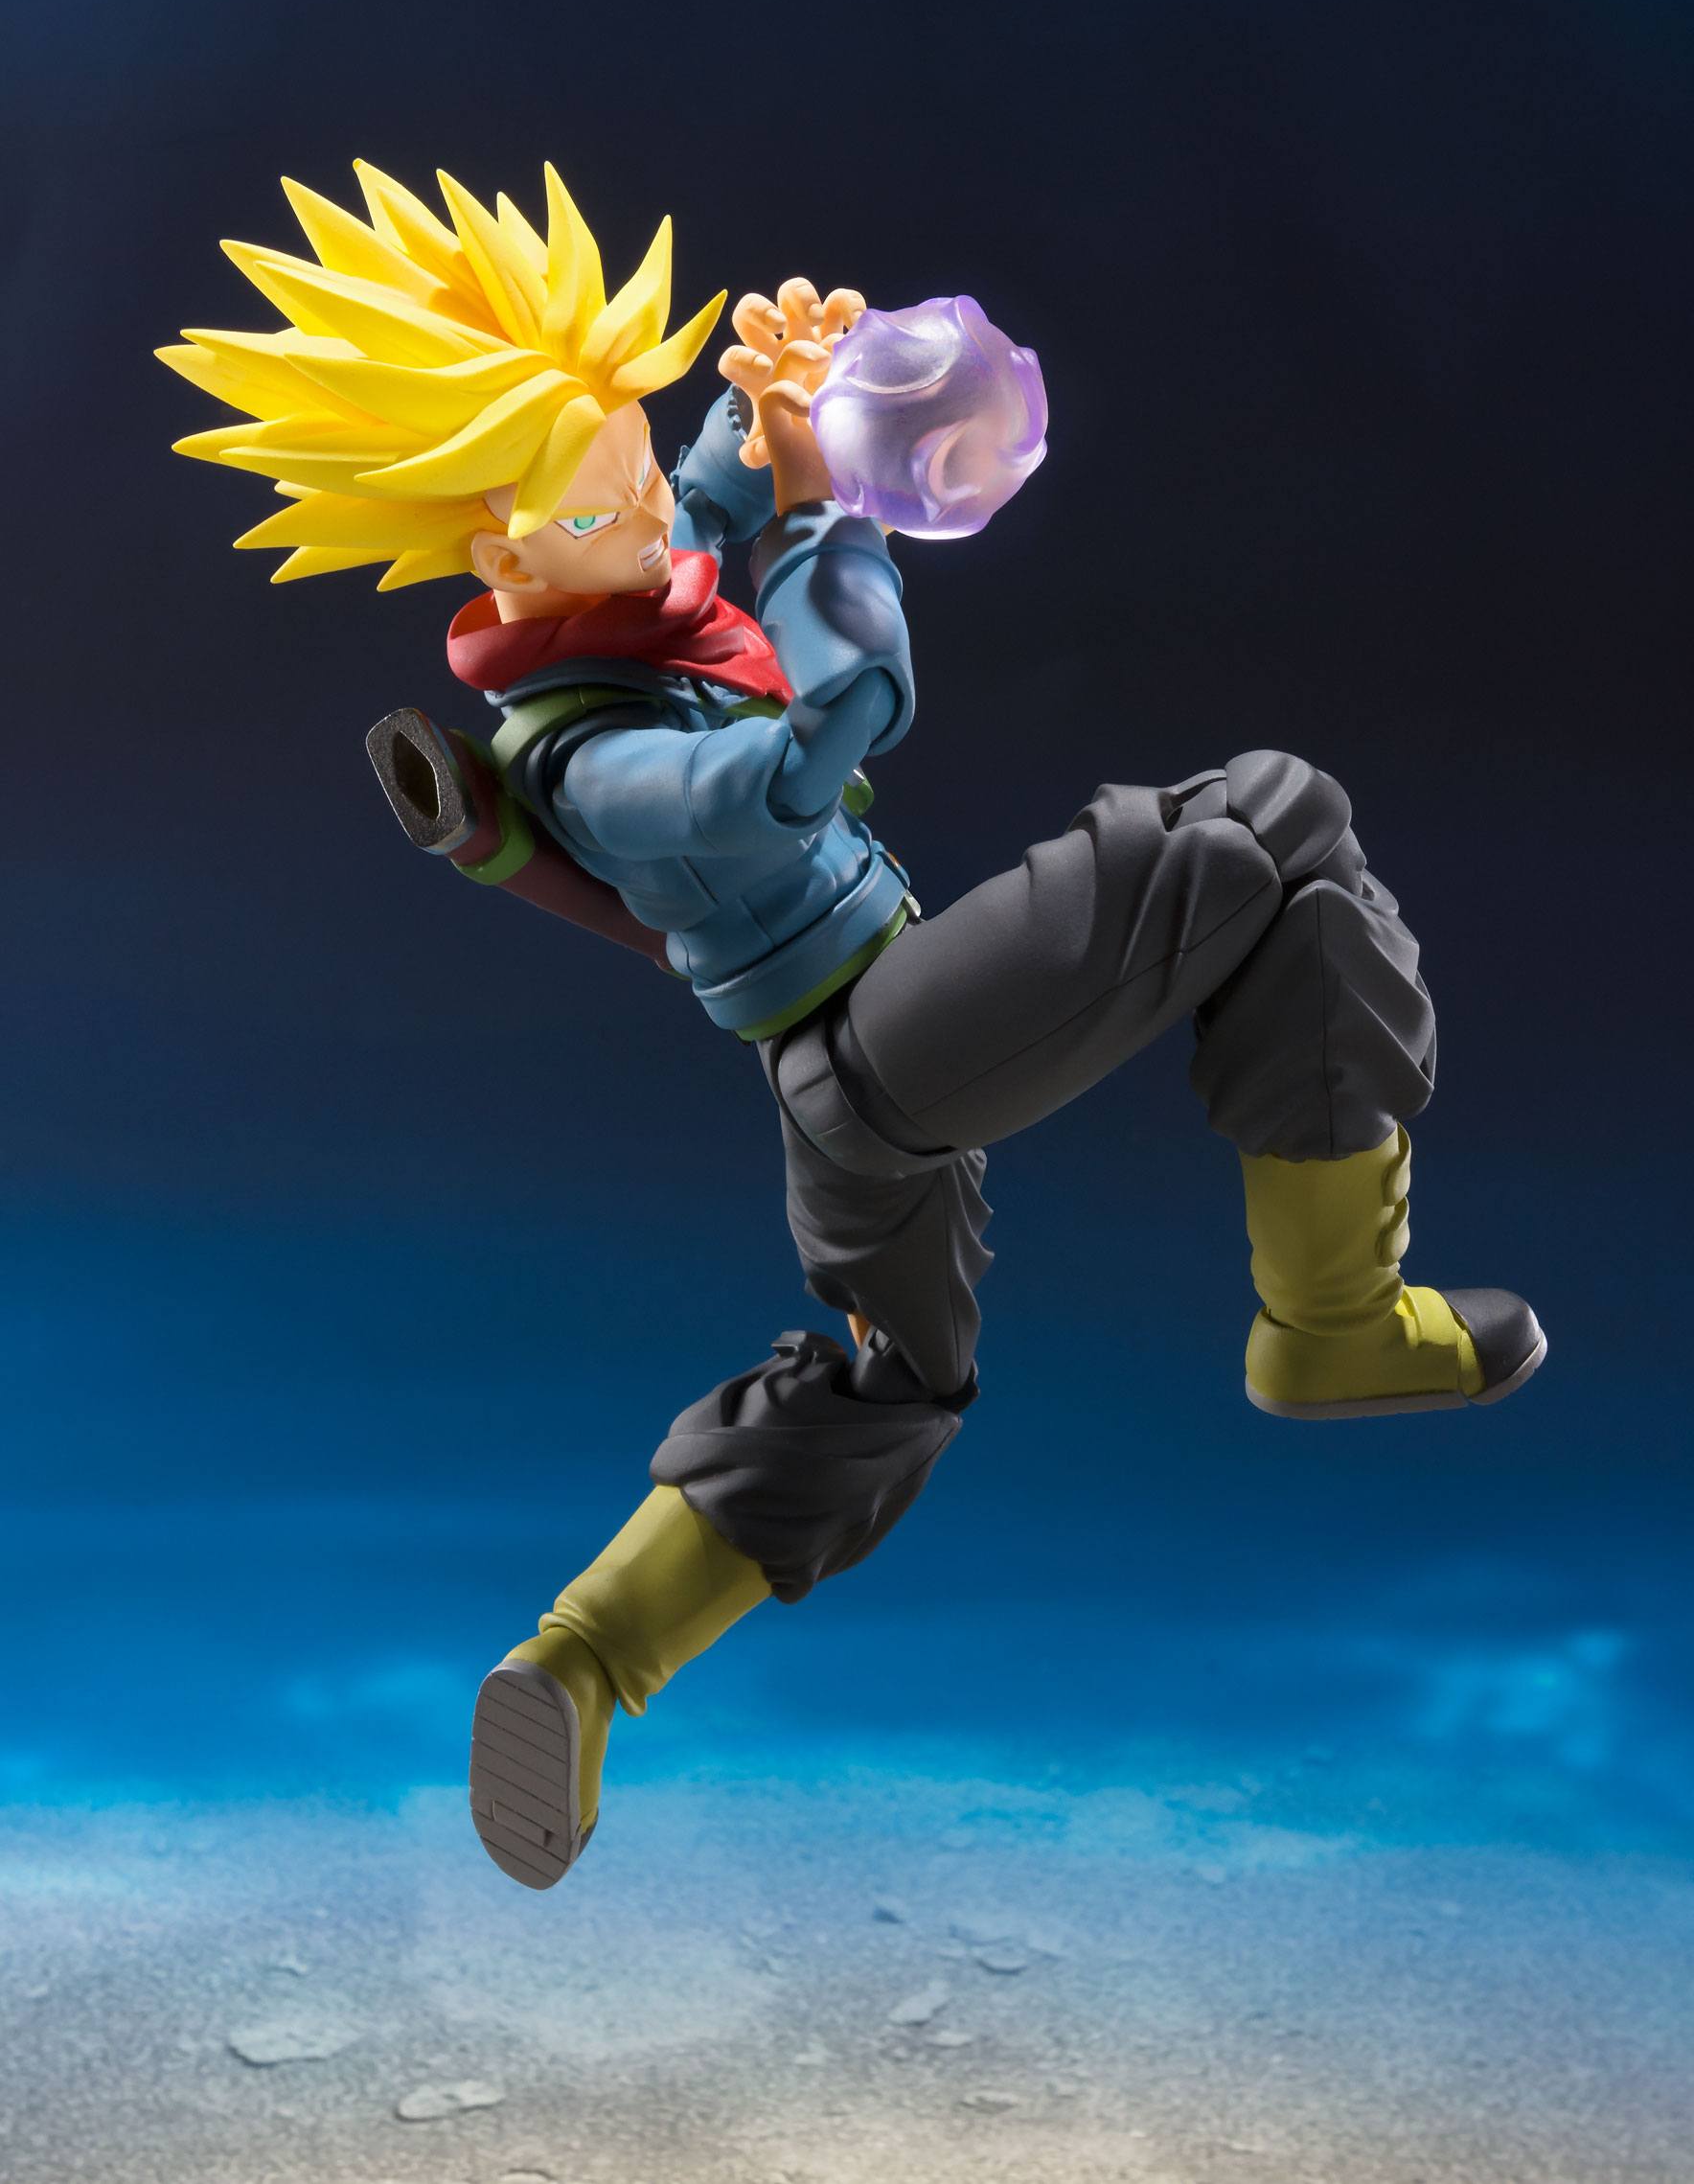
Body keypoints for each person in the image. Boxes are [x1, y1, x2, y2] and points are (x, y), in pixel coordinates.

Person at [161, 165, 1546, 1894]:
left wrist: (777, 410)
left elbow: (698, 506)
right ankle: (1331, 1322)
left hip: (856, 1101)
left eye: (636, 455)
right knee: (1262, 829)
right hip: (877, 1042)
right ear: (507, 557)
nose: (652, 504)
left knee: (899, 1387)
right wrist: (833, 520)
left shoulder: (611, 576)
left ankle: (578, 1665)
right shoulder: (586, 756)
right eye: (609, 493)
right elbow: (807, 747)